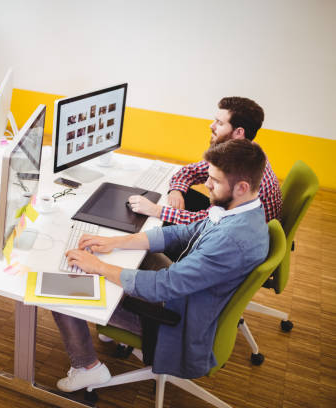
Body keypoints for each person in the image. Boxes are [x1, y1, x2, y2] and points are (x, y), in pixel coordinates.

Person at [52, 139, 270, 392]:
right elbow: (182, 233)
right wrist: (115, 241)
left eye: (215, 181)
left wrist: (98, 267)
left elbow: (162, 286)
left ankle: (87, 368)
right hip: (192, 296)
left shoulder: (231, 240)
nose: (207, 185)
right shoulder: (243, 211)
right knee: (121, 260)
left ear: (242, 187)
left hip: (177, 321)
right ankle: (109, 326)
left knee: (63, 291)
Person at [129, 97, 282, 224]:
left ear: (238, 132)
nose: (211, 126)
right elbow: (191, 171)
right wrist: (177, 191)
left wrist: (156, 210)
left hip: (231, 239)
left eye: (220, 123)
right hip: (226, 221)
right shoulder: (244, 151)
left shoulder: (240, 172)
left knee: (154, 224)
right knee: (177, 196)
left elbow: (209, 221)